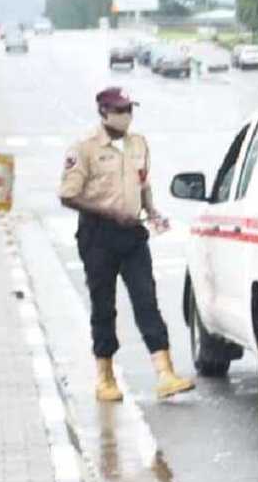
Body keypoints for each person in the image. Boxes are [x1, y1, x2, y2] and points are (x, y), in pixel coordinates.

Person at [58, 87, 195, 403]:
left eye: (129, 109)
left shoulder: (138, 143)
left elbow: (142, 182)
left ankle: (165, 373)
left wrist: (152, 211)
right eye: (120, 110)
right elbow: (67, 195)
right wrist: (109, 212)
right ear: (104, 112)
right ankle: (104, 376)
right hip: (98, 236)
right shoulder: (84, 147)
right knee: (104, 306)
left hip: (132, 233)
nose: (126, 116)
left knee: (146, 300)